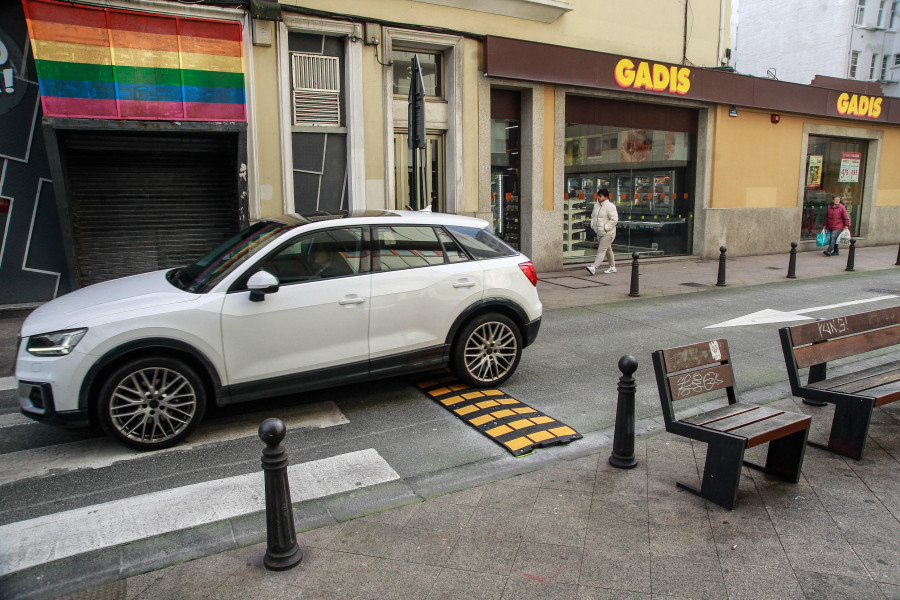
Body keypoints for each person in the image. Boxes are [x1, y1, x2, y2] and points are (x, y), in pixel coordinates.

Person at [585, 188, 618, 275]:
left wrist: (605, 227)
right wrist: (593, 225)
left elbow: (614, 220)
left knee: (601, 250)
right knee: (608, 250)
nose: (598, 198)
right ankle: (613, 267)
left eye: (600, 196)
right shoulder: (596, 205)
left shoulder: (610, 206)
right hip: (599, 232)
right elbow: (593, 216)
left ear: (606, 197)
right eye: (598, 196)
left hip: (608, 233)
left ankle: (594, 267)